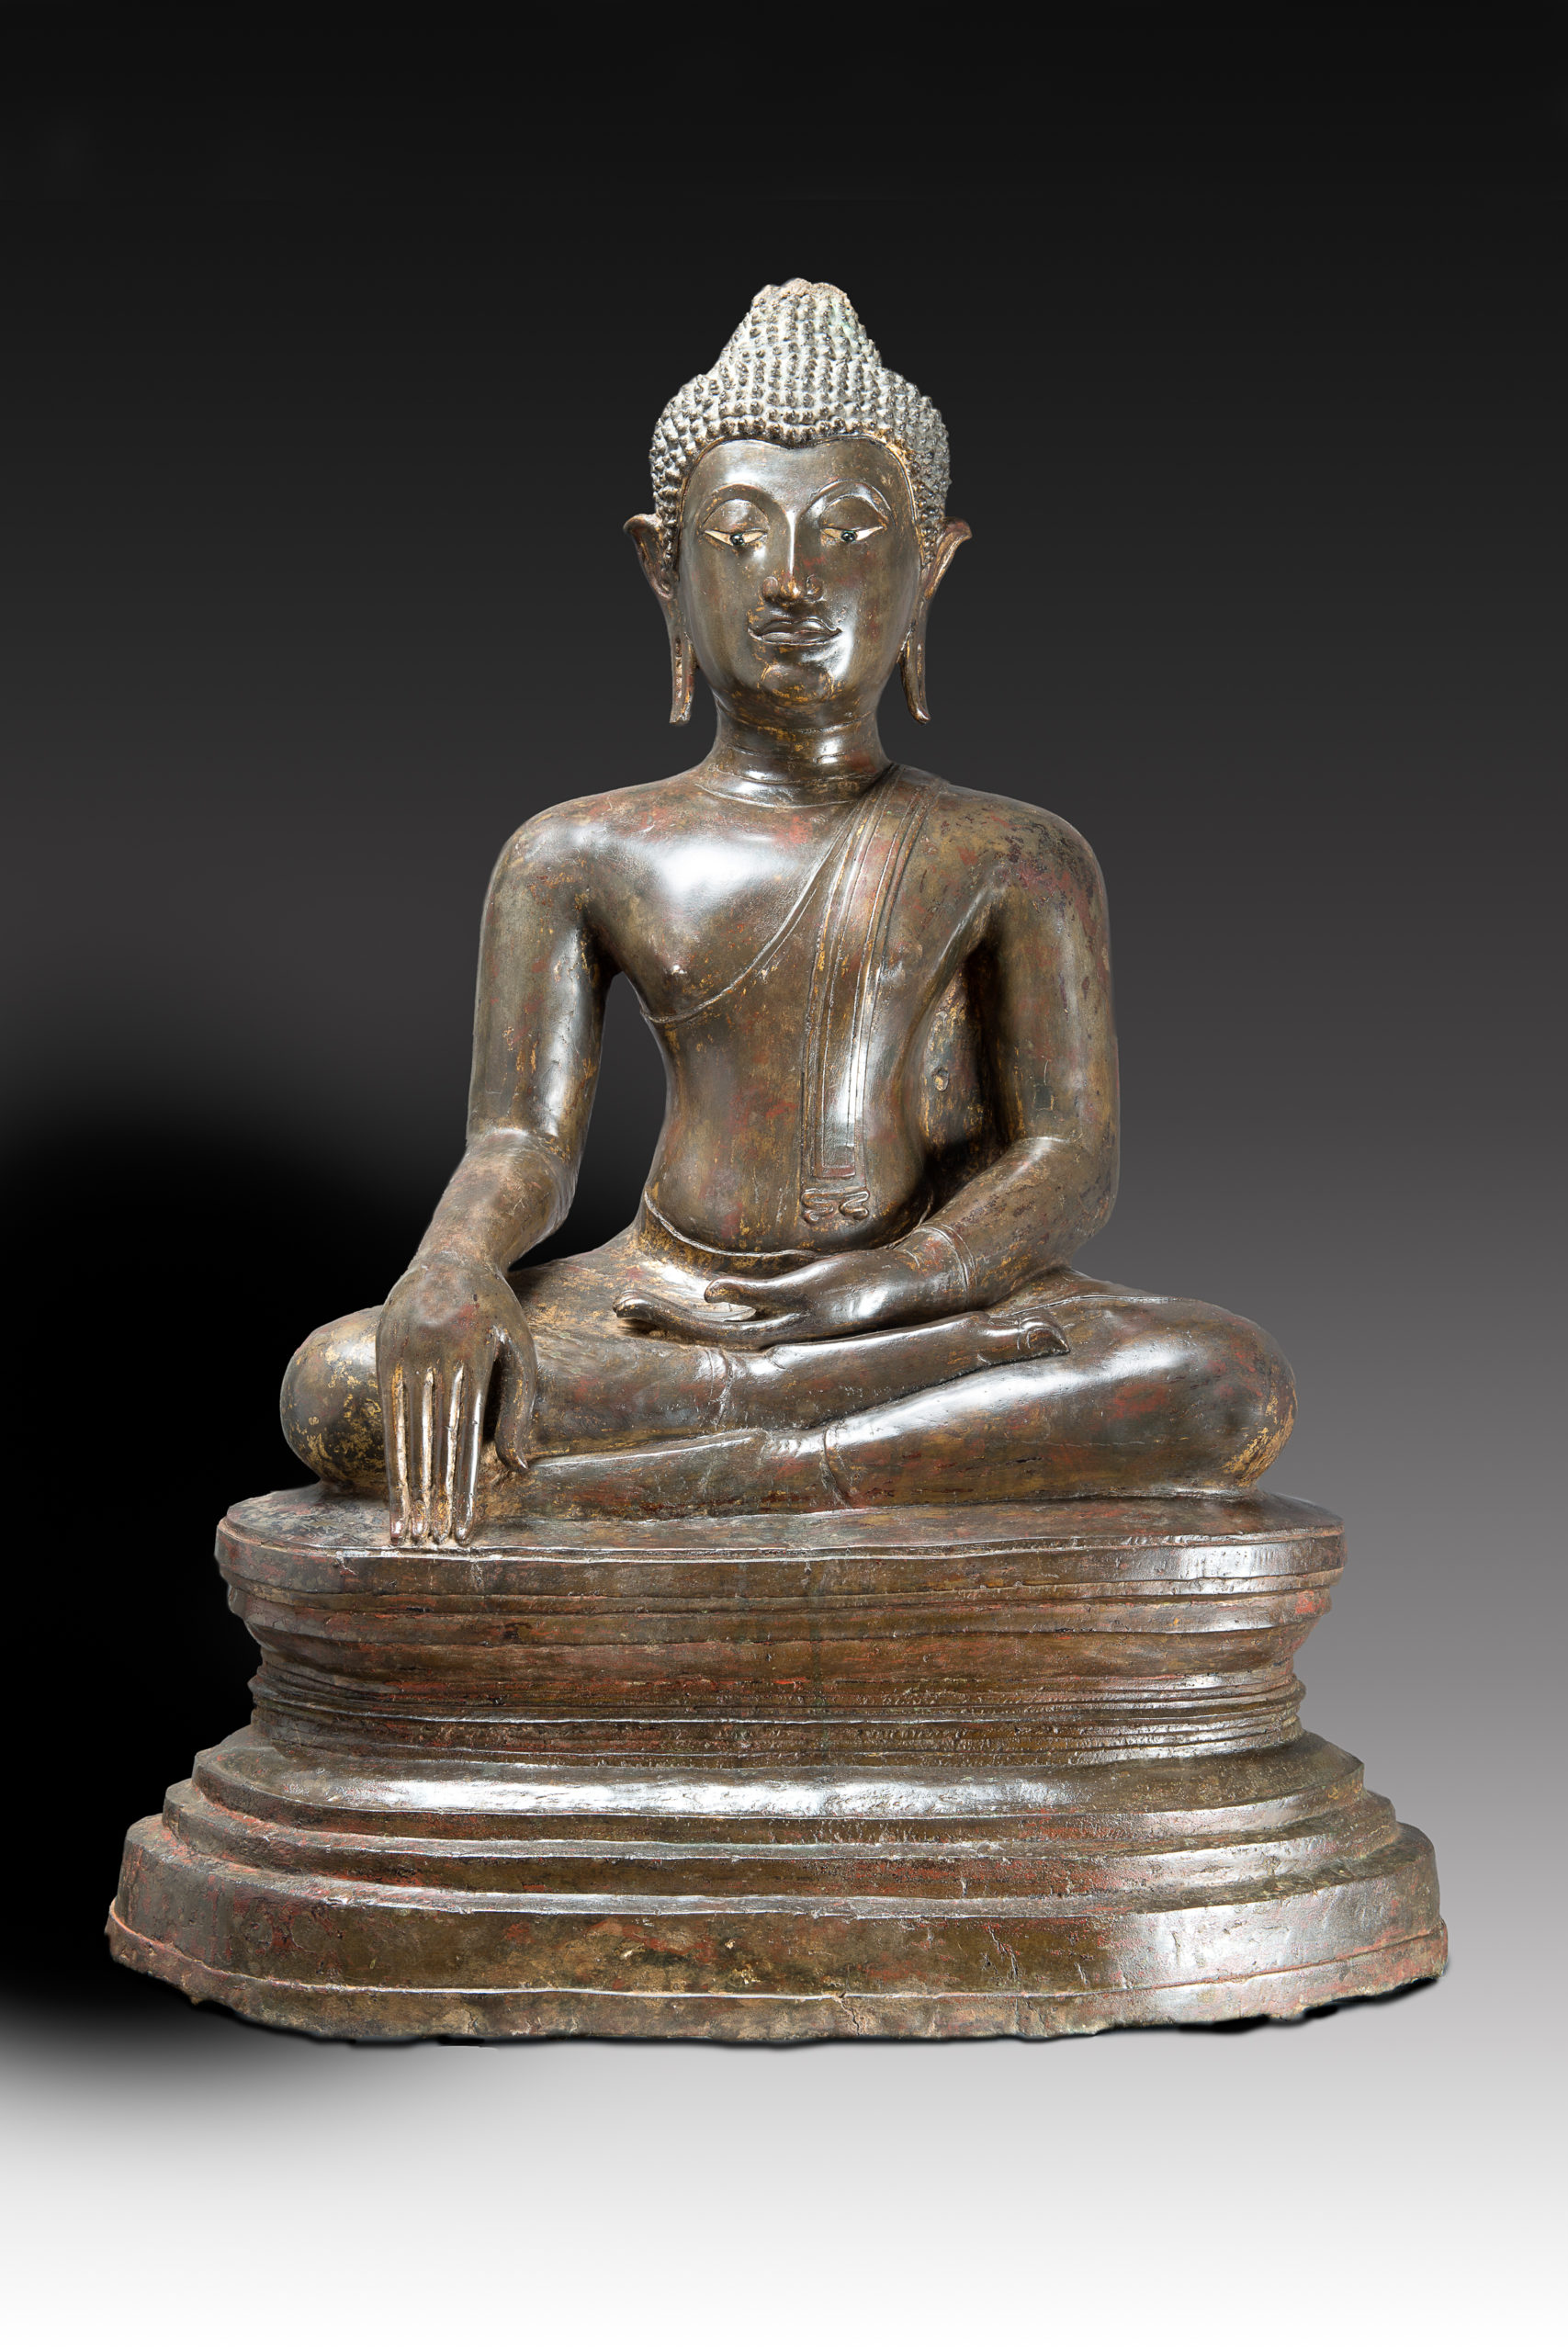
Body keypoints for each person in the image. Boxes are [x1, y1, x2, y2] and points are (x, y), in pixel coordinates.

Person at [282, 281, 1293, 1542]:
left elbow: (1067, 1158)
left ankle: (717, 1463)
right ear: (663, 566)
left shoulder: (1014, 853)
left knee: (1224, 1382)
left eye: (850, 532)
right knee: (338, 1385)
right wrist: (451, 1265)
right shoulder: (574, 852)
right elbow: (522, 1141)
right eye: (740, 534)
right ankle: (817, 1436)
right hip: (664, 1303)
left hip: (922, 1308)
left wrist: (889, 1287)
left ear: (930, 568)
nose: (793, 582)